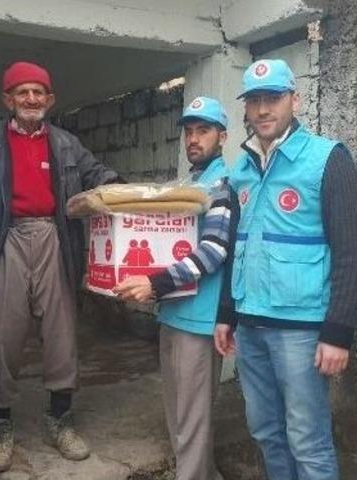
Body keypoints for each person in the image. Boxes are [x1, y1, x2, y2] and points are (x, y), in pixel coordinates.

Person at [214, 59, 357, 480]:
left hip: (301, 329)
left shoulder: (326, 159)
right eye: (255, 101)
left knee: (307, 439)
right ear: (246, 108)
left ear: (294, 100)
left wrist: (338, 333)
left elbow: (352, 251)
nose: (263, 110)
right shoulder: (241, 168)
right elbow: (235, 247)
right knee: (264, 431)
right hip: (250, 327)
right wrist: (227, 314)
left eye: (273, 98)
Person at [0, 61, 121, 472]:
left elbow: (97, 174)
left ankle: (60, 417)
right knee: (4, 332)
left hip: (54, 236)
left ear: (49, 100)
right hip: (6, 239)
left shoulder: (67, 144)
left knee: (61, 330)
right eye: (22, 92)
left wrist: (127, 193)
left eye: (39, 92)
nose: (31, 99)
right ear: (8, 99)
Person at [114, 96, 237, 480]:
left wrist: (154, 282)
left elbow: (214, 251)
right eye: (189, 132)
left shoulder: (221, 185)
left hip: (200, 319)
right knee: (178, 412)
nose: (194, 139)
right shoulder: (187, 185)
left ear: (223, 136)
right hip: (173, 311)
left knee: (193, 417)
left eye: (204, 131)